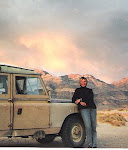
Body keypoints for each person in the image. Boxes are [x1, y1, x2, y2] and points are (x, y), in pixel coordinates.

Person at [72, 77, 97, 148]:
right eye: (82, 81)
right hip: (84, 110)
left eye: (85, 81)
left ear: (86, 82)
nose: (83, 83)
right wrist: (80, 101)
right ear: (79, 82)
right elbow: (73, 99)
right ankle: (89, 144)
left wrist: (80, 100)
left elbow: (89, 99)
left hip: (92, 108)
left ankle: (94, 144)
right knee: (88, 126)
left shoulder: (90, 90)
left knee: (93, 127)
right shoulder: (77, 90)